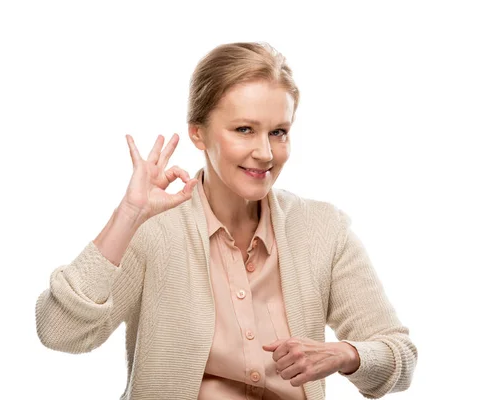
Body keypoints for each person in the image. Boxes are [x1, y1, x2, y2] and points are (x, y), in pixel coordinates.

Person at [35, 42, 417, 400]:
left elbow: (399, 358)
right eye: (244, 130)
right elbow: (61, 333)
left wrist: (345, 354)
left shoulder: (322, 230)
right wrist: (128, 216)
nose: (265, 153)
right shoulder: (154, 229)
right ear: (198, 134)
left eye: (279, 132)